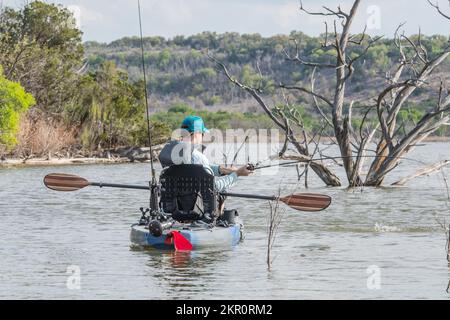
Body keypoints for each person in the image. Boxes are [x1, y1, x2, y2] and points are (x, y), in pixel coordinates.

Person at [159, 115, 254, 214]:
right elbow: (214, 187)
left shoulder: (171, 152)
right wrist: (237, 174)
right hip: (196, 209)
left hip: (173, 208)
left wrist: (224, 170)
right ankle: (218, 216)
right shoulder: (199, 157)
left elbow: (197, 170)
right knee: (223, 190)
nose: (203, 137)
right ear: (196, 134)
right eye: (203, 133)